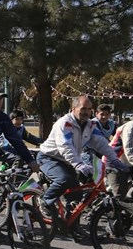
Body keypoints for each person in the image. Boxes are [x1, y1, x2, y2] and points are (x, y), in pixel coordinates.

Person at [37, 95, 127, 239]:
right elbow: (65, 146)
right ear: (73, 109)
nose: (86, 112)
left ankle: (71, 227)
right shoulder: (64, 123)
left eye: (89, 109)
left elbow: (101, 143)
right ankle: (46, 202)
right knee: (64, 179)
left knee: (77, 195)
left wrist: (114, 160)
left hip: (68, 161)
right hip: (49, 157)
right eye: (83, 108)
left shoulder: (90, 125)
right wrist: (78, 164)